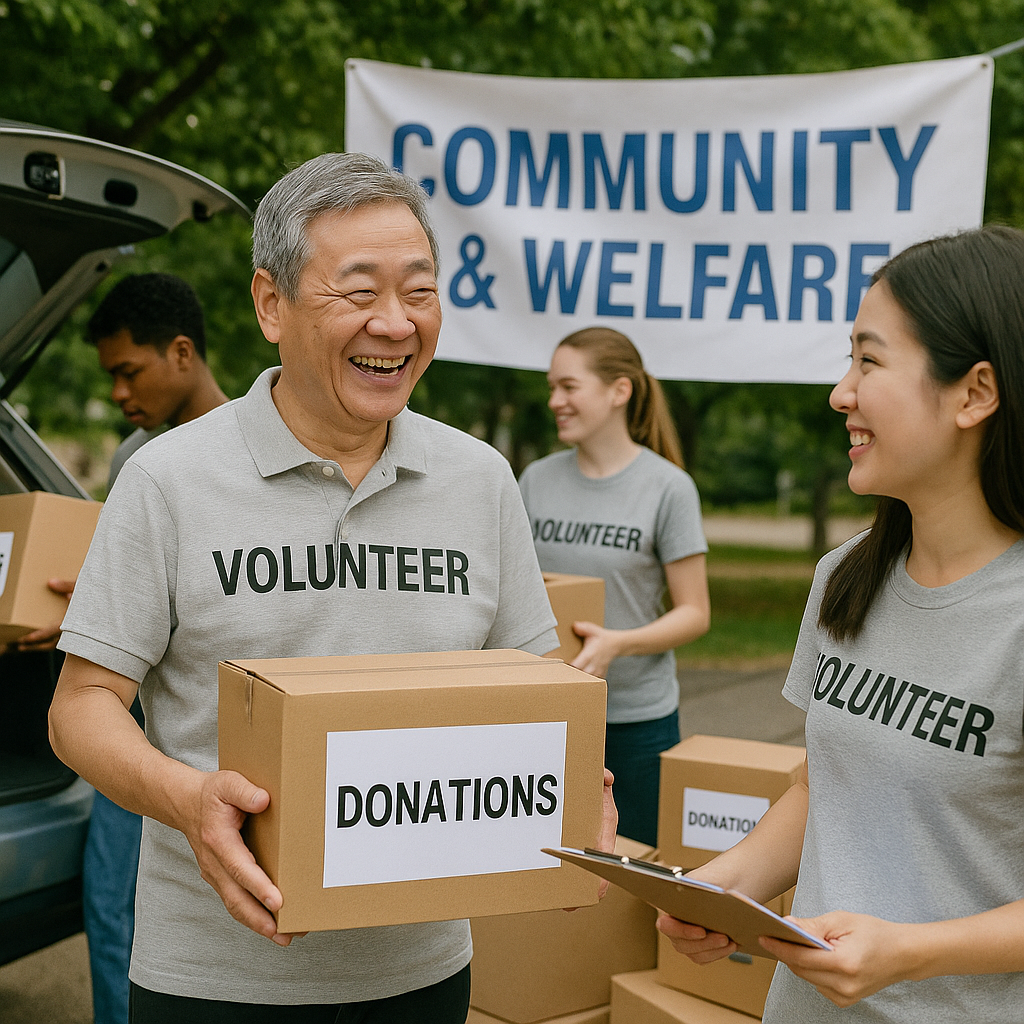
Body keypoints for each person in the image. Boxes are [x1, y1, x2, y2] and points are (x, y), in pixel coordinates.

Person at [48, 152, 615, 1023]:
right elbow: (81, 707)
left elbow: (537, 693)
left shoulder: (481, 479)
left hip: (421, 973)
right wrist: (189, 800)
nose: (395, 323)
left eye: (420, 292)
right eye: (357, 293)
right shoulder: (167, 479)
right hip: (215, 977)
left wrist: (582, 788)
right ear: (271, 305)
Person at [658, 225, 1024, 1022]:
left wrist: (909, 953)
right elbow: (829, 779)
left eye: (870, 360)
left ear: (975, 393)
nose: (841, 393)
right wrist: (735, 880)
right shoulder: (844, 577)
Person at [18, 272, 229, 1024]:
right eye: (109, 375)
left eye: (127, 371)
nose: (116, 394)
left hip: (217, 743)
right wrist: (84, 610)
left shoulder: (248, 458)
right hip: (131, 730)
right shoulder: (132, 463)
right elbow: (130, 588)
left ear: (181, 353)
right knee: (111, 906)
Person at [519, 327, 710, 846]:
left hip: (635, 720)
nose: (555, 401)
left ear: (619, 391)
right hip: (546, 714)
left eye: (569, 386)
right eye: (551, 387)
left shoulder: (669, 488)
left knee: (630, 869)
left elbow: (695, 611)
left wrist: (617, 644)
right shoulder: (535, 480)